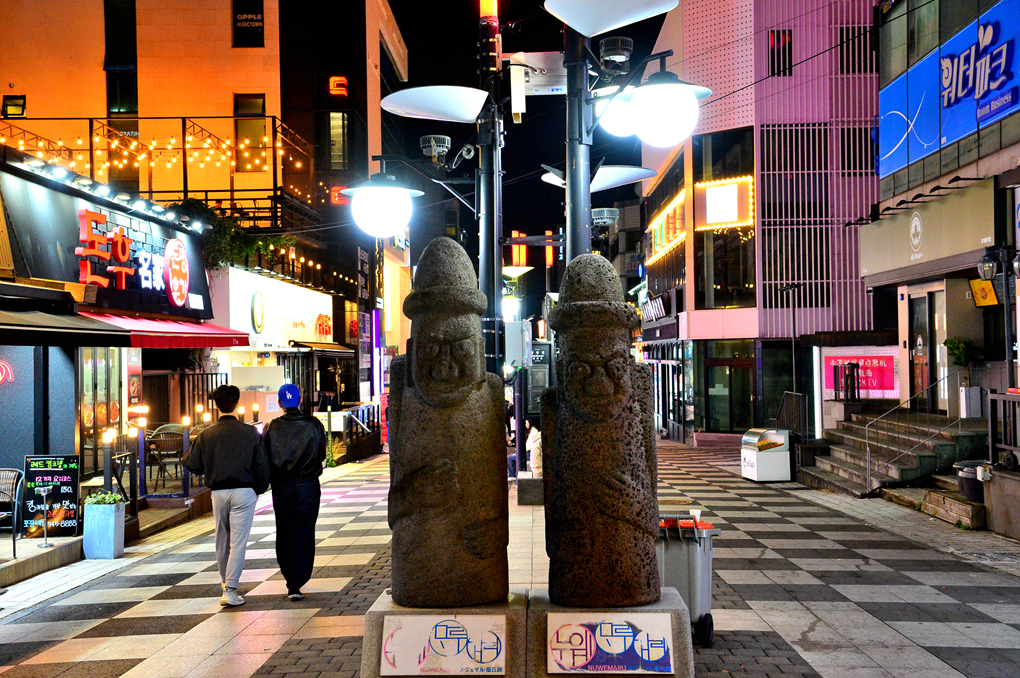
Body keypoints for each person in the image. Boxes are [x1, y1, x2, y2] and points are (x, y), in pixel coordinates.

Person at [183, 384, 269, 607]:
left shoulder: (206, 434)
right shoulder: (250, 433)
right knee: (238, 542)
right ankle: (230, 589)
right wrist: (258, 489)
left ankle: (225, 583)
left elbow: (191, 463)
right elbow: (261, 465)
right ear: (237, 403)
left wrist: (209, 466)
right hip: (244, 491)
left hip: (218, 491)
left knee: (222, 539)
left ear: (216, 405)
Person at [261, 384, 326, 600]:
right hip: (308, 485)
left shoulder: (271, 427)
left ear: (280, 403)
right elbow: (321, 454)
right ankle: (297, 581)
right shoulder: (314, 425)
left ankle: (290, 578)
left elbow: (265, 457)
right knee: (304, 531)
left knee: (284, 530)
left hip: (281, 486)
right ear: (300, 400)